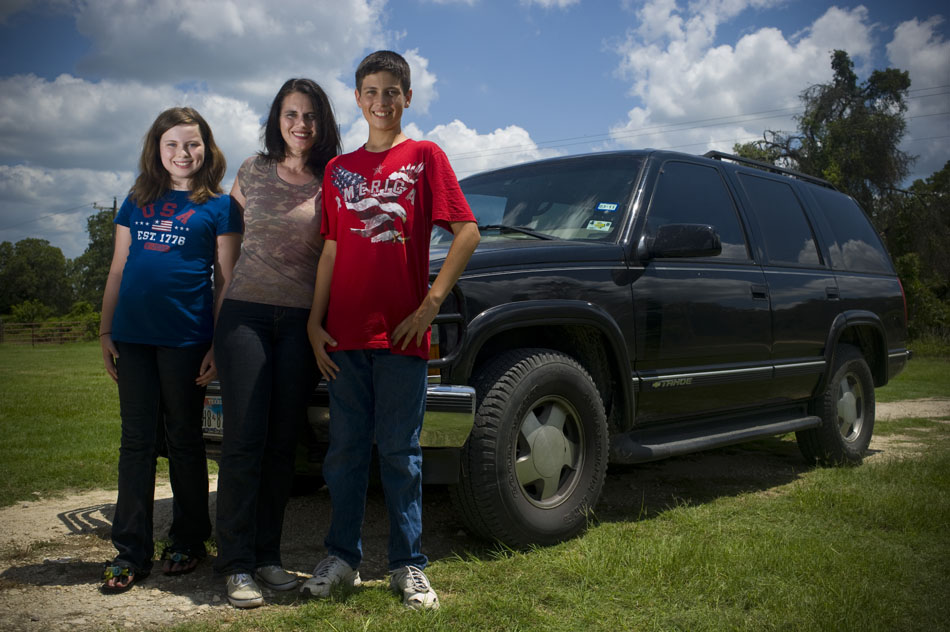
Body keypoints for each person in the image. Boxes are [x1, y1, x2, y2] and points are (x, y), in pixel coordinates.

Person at [303, 50, 480, 610]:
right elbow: (331, 249)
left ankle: (408, 565)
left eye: (392, 92)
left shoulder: (425, 157)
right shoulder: (338, 170)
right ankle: (343, 559)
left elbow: (467, 232)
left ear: (408, 98)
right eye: (371, 92)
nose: (381, 101)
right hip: (344, 338)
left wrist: (430, 305)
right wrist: (314, 320)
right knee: (346, 452)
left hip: (402, 337)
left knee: (401, 454)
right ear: (357, 99)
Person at [99, 107, 243, 593]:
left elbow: (225, 281)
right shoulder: (136, 201)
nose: (183, 153)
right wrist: (104, 332)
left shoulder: (221, 207)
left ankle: (188, 540)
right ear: (157, 150)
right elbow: (118, 269)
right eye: (172, 145)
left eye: (193, 144)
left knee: (184, 440)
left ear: (207, 148)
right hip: (133, 337)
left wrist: (218, 346)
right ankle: (130, 551)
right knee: (136, 443)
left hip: (187, 339)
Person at [213, 78, 341, 609]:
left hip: (299, 323)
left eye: (310, 115)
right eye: (291, 114)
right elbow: (228, 246)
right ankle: (237, 564)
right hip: (243, 316)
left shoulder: (332, 179)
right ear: (277, 119)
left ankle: (268, 555)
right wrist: (217, 316)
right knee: (244, 439)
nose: (300, 125)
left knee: (282, 443)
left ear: (322, 122)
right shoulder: (251, 170)